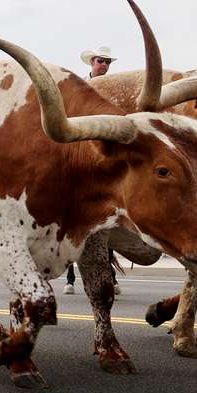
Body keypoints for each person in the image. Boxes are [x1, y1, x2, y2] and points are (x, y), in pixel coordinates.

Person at [64, 47, 120, 295]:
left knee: (105, 221)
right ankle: (70, 277)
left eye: (107, 61)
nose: (104, 65)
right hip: (81, 155)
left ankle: (110, 275)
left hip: (103, 158)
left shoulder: (115, 91)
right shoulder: (81, 88)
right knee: (75, 221)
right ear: (92, 63)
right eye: (101, 61)